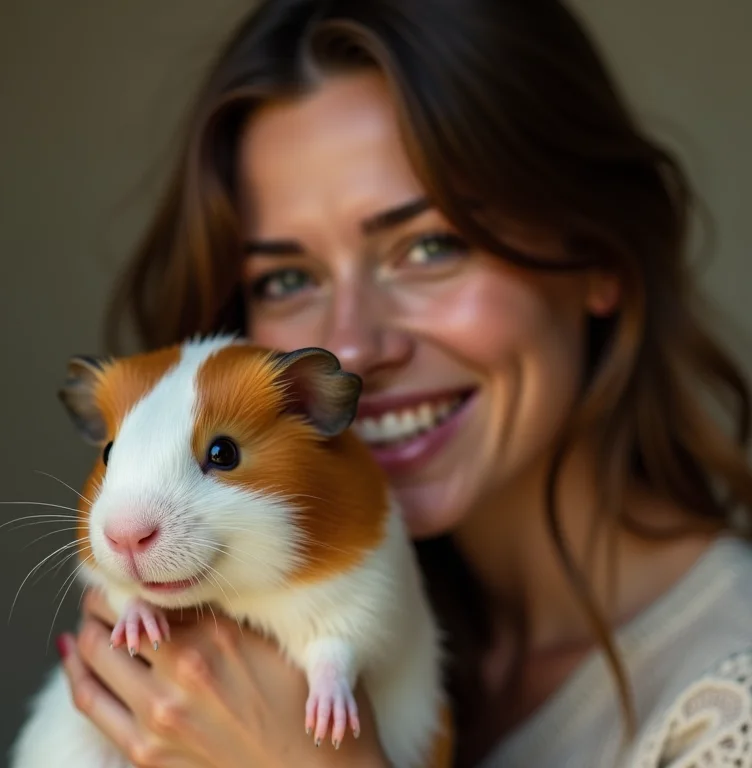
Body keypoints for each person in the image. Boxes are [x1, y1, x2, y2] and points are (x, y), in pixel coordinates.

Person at [50, 0, 752, 765]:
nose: (350, 344)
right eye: (287, 276)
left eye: (429, 247)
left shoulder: (727, 697)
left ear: (598, 260)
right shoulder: (250, 618)